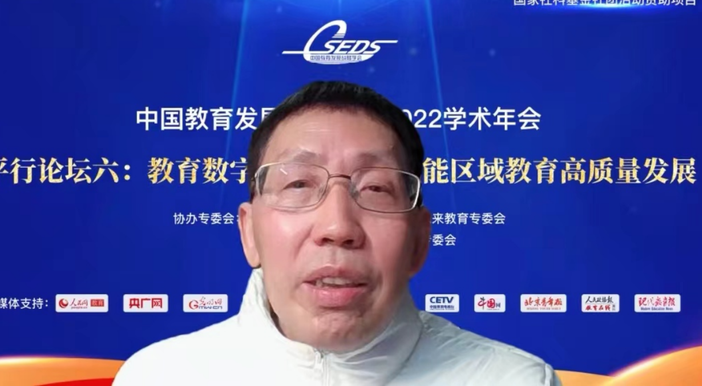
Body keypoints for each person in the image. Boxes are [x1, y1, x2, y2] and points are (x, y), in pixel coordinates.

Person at [113, 81, 562, 386]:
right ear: (249, 232)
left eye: (375, 188)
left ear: (419, 241)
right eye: (298, 184)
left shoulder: (510, 379)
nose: (337, 227)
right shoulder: (161, 376)